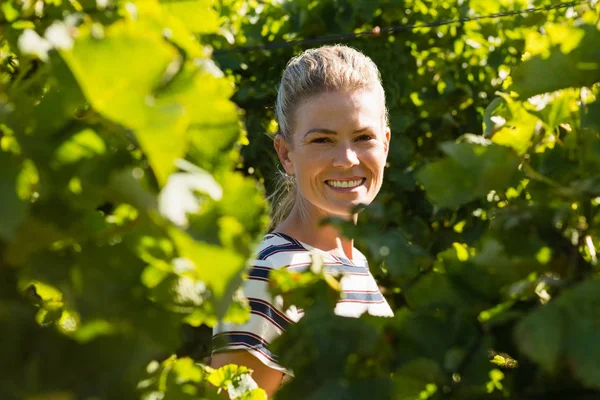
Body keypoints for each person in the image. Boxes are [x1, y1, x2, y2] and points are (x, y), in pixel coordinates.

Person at [210, 44, 393, 398]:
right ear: (285, 153)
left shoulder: (355, 265)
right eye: (322, 140)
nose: (346, 159)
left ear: (385, 145)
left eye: (363, 137)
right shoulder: (266, 273)